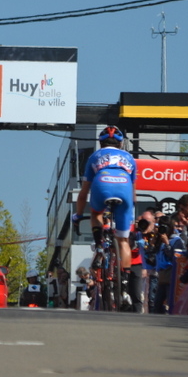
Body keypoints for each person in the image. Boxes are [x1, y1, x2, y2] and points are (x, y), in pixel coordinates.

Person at [73, 125, 137, 307]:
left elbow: (83, 193)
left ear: (101, 143)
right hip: (124, 189)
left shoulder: (95, 156)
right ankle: (124, 286)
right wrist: (129, 212)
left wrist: (78, 215)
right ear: (121, 143)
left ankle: (100, 246)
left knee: (96, 213)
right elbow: (134, 195)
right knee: (123, 242)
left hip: (102, 185)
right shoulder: (130, 158)